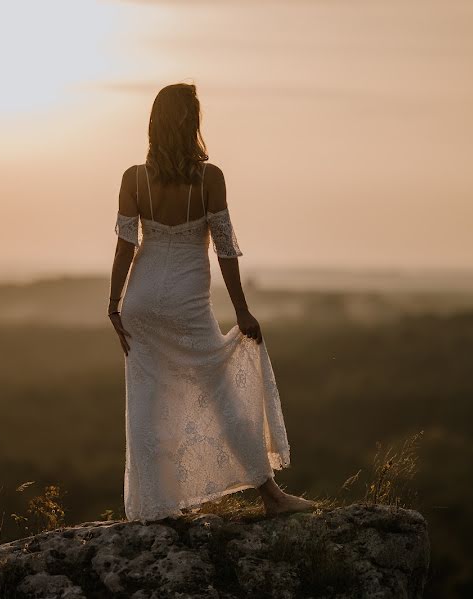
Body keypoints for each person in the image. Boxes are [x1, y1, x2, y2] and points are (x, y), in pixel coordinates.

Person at [108, 82, 317, 522]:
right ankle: (272, 496)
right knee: (222, 397)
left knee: (148, 402)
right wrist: (241, 310)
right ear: (192, 123)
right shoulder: (210, 178)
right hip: (186, 305)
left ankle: (154, 508)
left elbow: (125, 247)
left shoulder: (133, 178)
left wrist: (113, 304)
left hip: (141, 303)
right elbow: (225, 249)